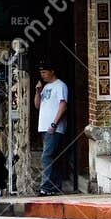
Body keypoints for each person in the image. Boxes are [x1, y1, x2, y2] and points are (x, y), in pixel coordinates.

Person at [34, 64, 69, 195]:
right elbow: (37, 105)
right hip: (44, 127)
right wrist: (38, 91)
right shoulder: (46, 87)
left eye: (44, 72)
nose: (42, 75)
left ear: (52, 71)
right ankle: (54, 187)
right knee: (52, 156)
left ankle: (46, 187)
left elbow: (63, 105)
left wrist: (54, 124)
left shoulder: (60, 86)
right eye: (41, 72)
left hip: (54, 128)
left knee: (46, 156)